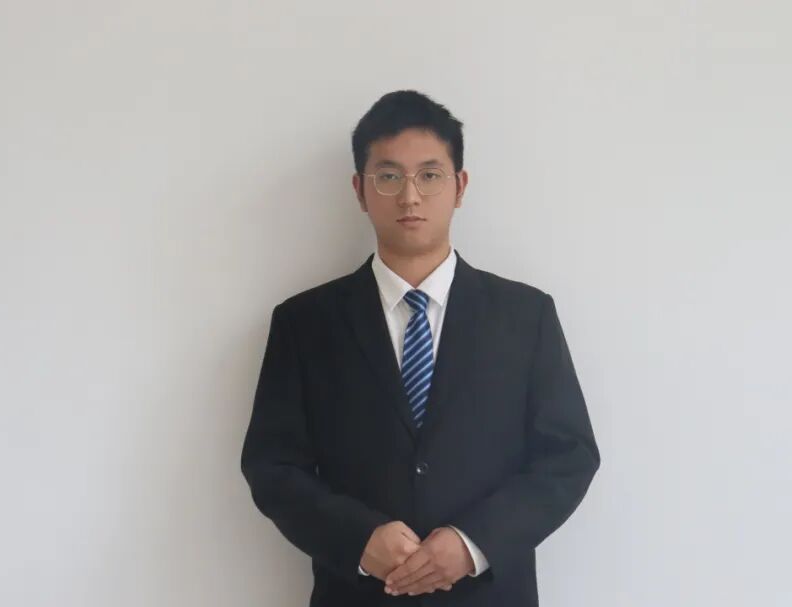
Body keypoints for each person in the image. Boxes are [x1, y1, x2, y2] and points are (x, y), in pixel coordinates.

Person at [240, 89, 600, 606]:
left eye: (429, 175)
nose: (409, 197)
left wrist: (473, 544)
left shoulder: (526, 316)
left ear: (459, 186)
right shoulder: (305, 323)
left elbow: (568, 456)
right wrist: (359, 539)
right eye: (388, 177)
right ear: (360, 190)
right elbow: (272, 467)